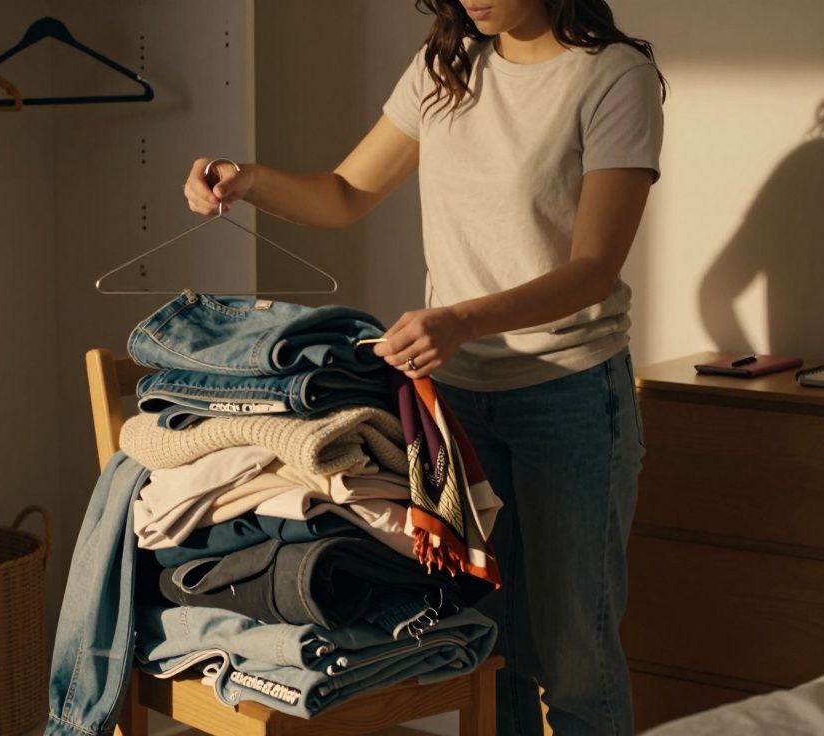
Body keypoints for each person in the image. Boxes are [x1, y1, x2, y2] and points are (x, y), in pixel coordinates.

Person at [181, 1, 664, 733]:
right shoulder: (448, 68)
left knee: (577, 656)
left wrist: (462, 320)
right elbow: (345, 193)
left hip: (568, 397)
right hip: (455, 405)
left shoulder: (613, 78)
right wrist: (247, 180)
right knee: (486, 645)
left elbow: (594, 268)